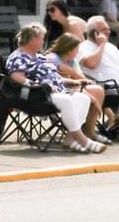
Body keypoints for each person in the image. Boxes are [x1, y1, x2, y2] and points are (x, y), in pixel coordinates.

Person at [7, 23, 104, 153]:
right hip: (36, 96)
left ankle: (70, 139)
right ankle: (83, 140)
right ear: (33, 40)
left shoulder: (40, 56)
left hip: (55, 92)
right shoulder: (17, 56)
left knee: (83, 98)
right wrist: (41, 86)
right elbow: (16, 77)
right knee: (66, 100)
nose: (43, 41)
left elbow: (54, 78)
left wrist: (75, 81)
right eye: (42, 38)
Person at [44, 34, 110, 144]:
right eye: (76, 49)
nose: (78, 52)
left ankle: (90, 131)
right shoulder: (52, 58)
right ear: (68, 48)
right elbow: (62, 77)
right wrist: (72, 73)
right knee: (93, 92)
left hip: (73, 86)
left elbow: (83, 79)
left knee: (97, 89)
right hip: (57, 91)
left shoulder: (71, 60)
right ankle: (83, 133)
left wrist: (72, 73)